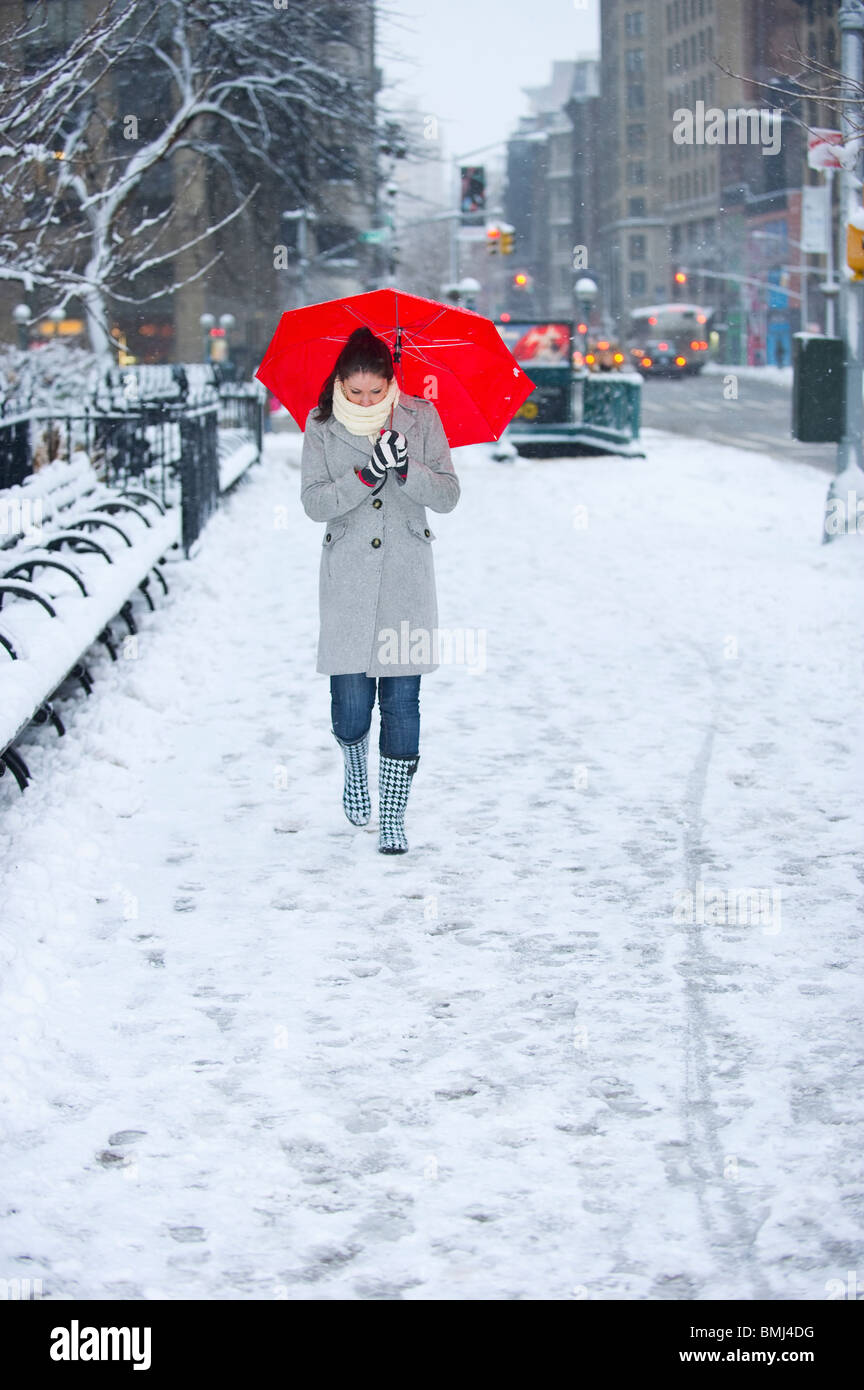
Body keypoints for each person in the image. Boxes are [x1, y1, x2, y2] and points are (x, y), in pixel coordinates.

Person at [300, 327, 460, 853]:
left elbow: (448, 495)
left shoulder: (421, 418)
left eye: (375, 391)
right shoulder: (320, 427)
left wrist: (407, 469)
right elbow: (315, 504)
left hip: (406, 578)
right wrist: (367, 475)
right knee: (350, 705)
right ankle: (353, 764)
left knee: (402, 701)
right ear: (339, 384)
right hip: (346, 577)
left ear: (391, 382)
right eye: (355, 391)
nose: (366, 400)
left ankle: (393, 817)